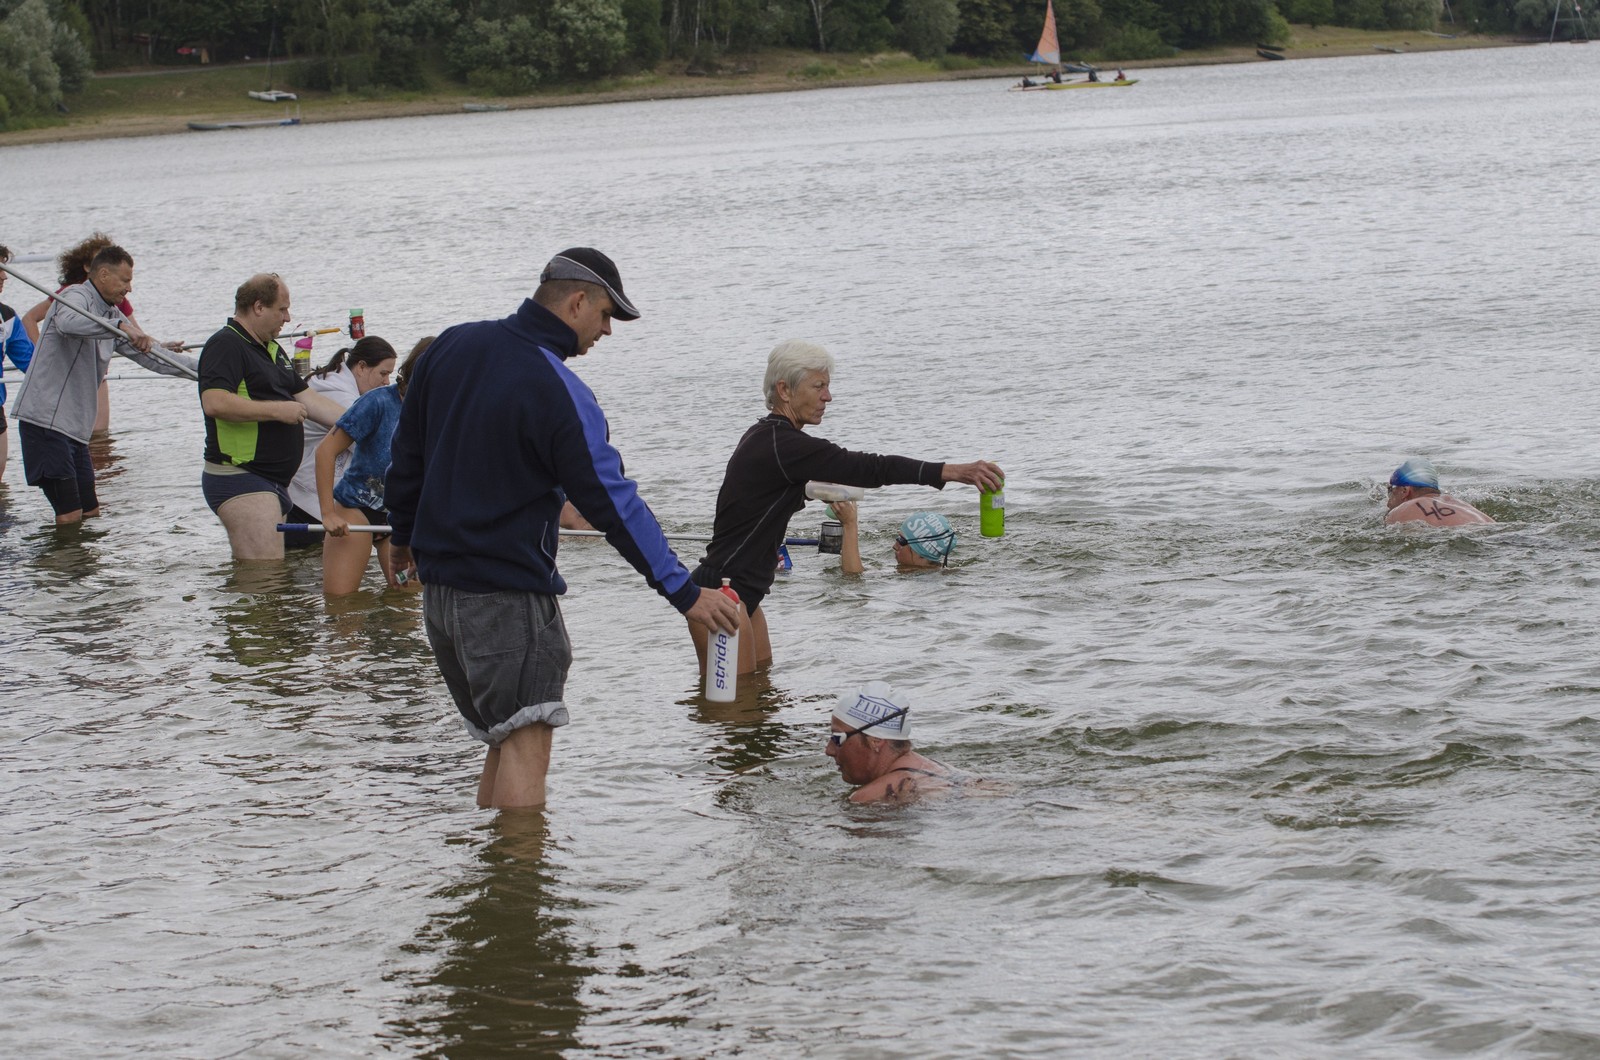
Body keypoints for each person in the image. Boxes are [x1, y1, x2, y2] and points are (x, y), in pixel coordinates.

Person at [385, 247, 741, 811]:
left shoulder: (451, 345)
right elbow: (614, 504)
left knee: (502, 741)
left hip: (441, 597)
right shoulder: (558, 388)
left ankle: (496, 866)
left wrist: (402, 539)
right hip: (507, 597)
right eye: (606, 315)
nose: (607, 331)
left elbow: (405, 459)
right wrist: (682, 590)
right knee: (525, 745)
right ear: (577, 302)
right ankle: (520, 867)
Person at [687, 339, 1003, 677]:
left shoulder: (768, 438)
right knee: (738, 703)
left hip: (742, 590)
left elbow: (766, 496)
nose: (828, 397)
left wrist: (808, 493)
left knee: (763, 693)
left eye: (828, 386)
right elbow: (871, 468)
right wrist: (951, 472)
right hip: (722, 593)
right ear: (785, 390)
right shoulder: (784, 446)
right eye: (818, 386)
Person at [11, 245, 195, 525]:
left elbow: (154, 358)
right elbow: (69, 323)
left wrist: (211, 372)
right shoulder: (74, 296)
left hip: (74, 429)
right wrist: (120, 327)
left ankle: (82, 557)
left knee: (91, 512)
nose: (129, 288)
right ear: (104, 274)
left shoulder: (112, 314)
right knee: (70, 515)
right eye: (125, 280)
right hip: (45, 422)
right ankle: (55, 554)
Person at [198, 273, 346, 560]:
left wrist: (365, 421)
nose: (288, 318)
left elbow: (310, 400)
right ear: (258, 307)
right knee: (264, 575)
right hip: (241, 477)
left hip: (273, 482)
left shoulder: (272, 348)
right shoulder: (225, 344)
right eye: (282, 309)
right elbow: (214, 402)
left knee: (274, 575)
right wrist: (278, 410)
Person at [315, 336, 429, 594]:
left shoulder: (440, 411)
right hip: (357, 510)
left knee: (405, 602)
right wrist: (327, 514)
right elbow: (325, 452)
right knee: (342, 604)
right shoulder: (376, 402)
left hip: (400, 517)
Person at [285, 337, 404, 548]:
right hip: (308, 498)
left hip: (319, 493)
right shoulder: (339, 395)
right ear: (361, 367)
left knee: (307, 561)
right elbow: (374, 447)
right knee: (310, 558)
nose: (387, 382)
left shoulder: (337, 382)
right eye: (383, 373)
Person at [22, 233, 138, 435]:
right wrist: (42, 356)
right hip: (68, 377)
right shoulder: (70, 295)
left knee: (100, 436)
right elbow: (31, 318)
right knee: (76, 433)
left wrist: (160, 347)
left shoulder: (117, 297)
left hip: (97, 373)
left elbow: (136, 334)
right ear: (87, 267)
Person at [826, 681, 978, 804]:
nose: (829, 750)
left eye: (837, 737)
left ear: (876, 741)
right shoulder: (942, 771)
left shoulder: (867, 798)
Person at [834, 503, 958, 574]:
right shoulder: (919, 571)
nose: (894, 546)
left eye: (901, 541)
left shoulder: (917, 575)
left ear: (921, 553)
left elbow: (853, 577)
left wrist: (849, 524)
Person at [0, 244, 37, 482]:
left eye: (4, 269)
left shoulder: (7, 317)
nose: (4, 276)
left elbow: (33, 365)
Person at [1384, 457, 1494, 527]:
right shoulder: (1461, 504)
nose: (1388, 503)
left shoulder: (1404, 510)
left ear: (1404, 491)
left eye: (1390, 491)